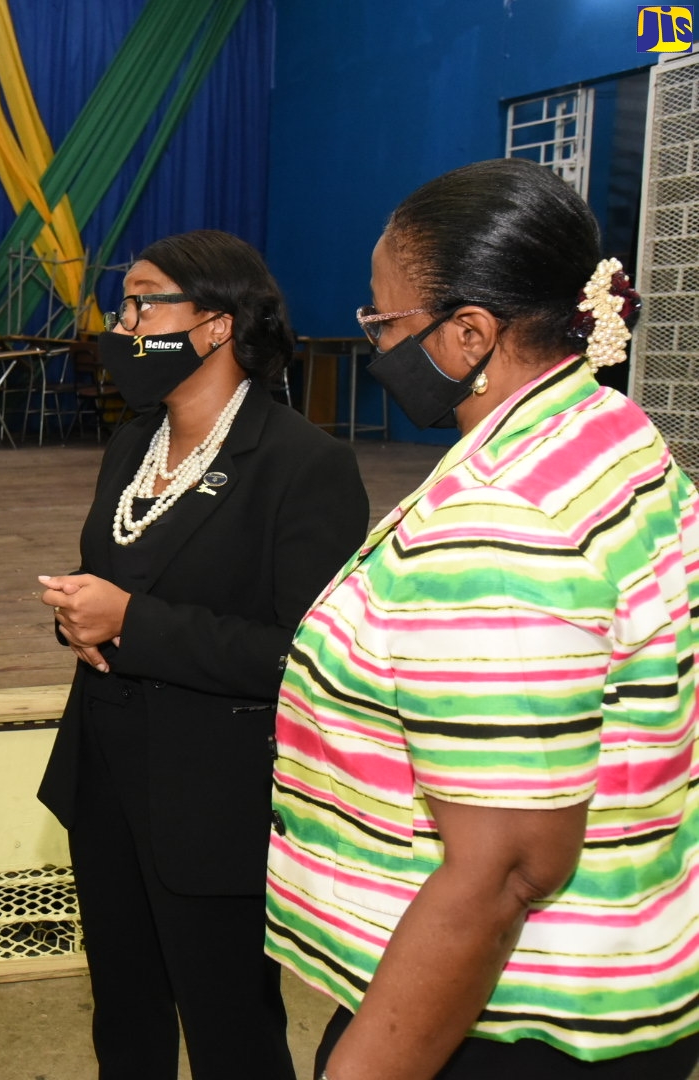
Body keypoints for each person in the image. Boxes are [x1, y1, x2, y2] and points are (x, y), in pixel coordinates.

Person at [266, 158, 699, 1080]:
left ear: (468, 334)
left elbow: (505, 868)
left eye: (383, 322)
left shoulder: (501, 522)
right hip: (622, 970)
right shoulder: (611, 431)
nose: (375, 342)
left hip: (506, 1018)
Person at [36, 230, 368, 1079]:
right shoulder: (133, 443)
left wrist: (131, 622)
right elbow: (117, 577)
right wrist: (80, 620)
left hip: (213, 802)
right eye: (124, 305)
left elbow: (304, 655)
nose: (123, 324)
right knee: (126, 1025)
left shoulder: (305, 464)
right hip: (105, 781)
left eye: (144, 304)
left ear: (217, 325)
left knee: (232, 1036)